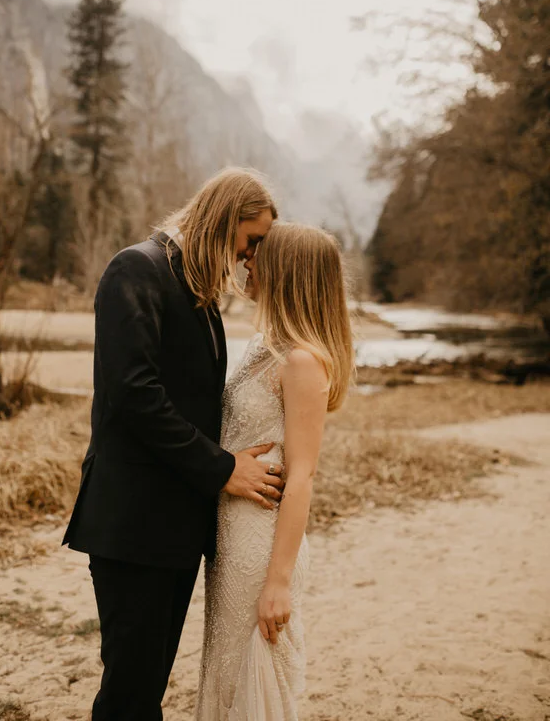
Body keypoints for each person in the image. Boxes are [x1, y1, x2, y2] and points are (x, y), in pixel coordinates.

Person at [62, 167, 284, 721]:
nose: (250, 257)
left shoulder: (197, 287)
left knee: (146, 688)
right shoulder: (135, 268)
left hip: (174, 528)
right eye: (251, 239)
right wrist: (221, 469)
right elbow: (134, 395)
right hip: (132, 524)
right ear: (224, 217)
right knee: (130, 693)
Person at [196, 221, 354, 720]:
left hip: (262, 545)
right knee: (224, 670)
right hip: (232, 535)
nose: (247, 260)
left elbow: (303, 475)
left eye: (258, 254)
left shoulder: (303, 363)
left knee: (253, 676)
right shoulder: (264, 345)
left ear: (287, 270)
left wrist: (279, 581)